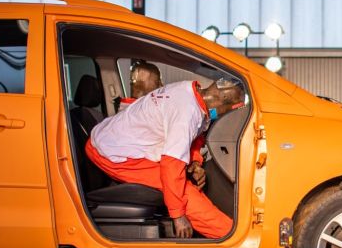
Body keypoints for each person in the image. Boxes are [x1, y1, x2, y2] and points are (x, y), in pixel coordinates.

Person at [87, 79, 245, 239]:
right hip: (111, 153)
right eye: (228, 112)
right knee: (185, 191)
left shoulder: (191, 92)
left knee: (180, 181)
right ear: (229, 105)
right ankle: (232, 237)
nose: (224, 116)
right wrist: (178, 215)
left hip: (110, 139)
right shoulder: (185, 112)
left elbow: (195, 134)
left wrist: (195, 162)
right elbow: (171, 165)